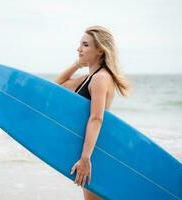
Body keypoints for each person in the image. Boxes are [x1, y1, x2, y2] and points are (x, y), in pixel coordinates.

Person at [54, 25, 130, 200]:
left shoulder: (100, 78)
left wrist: (86, 158)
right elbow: (55, 88)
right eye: (80, 44)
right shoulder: (89, 77)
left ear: (100, 51)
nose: (79, 48)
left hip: (96, 150)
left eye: (85, 45)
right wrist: (76, 65)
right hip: (92, 148)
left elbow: (96, 118)